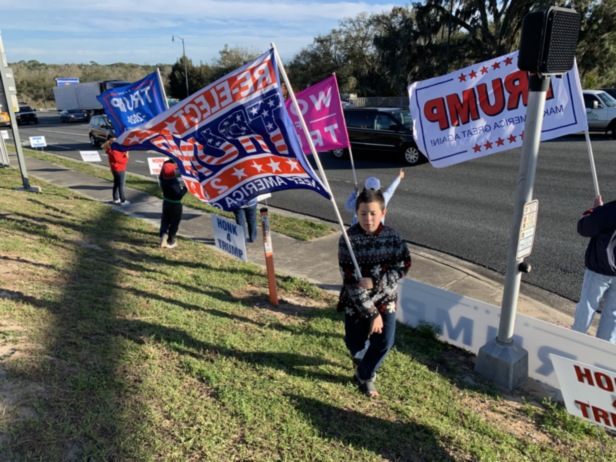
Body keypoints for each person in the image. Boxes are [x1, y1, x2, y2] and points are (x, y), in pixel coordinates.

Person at [337, 189, 412, 397]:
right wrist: (372, 313)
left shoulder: (393, 237)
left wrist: (377, 282)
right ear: (356, 212)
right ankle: (360, 361)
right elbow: (350, 281)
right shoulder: (347, 240)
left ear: (383, 212)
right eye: (363, 213)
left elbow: (404, 265)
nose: (368, 219)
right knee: (355, 343)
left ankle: (365, 375)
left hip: (385, 298)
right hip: (356, 301)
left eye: (373, 213)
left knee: (384, 342)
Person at [571, 195, 616, 343]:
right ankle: (604, 349)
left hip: (599, 269)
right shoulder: (607, 211)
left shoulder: (608, 211)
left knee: (587, 306)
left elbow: (584, 228)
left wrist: (595, 211)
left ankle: (576, 341)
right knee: (613, 314)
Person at [159, 159, 187, 249]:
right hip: (175, 205)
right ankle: (171, 241)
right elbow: (179, 195)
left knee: (165, 221)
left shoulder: (162, 178)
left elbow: (164, 167)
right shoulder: (173, 182)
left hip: (166, 202)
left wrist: (170, 161)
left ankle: (163, 233)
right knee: (174, 223)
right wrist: (185, 188)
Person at [103, 134, 130, 205]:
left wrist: (124, 152)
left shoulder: (110, 149)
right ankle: (123, 200)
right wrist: (126, 156)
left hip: (115, 169)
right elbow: (121, 160)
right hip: (119, 169)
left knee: (116, 184)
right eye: (115, 140)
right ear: (111, 140)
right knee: (121, 185)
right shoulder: (114, 150)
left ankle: (115, 198)